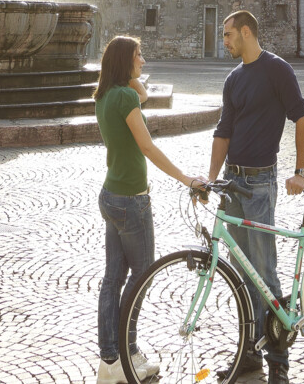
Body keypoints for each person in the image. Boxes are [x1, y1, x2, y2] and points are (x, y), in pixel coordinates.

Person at [93, 36, 206, 384]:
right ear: (125, 61)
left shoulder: (105, 96)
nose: (143, 61)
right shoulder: (125, 96)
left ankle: (111, 359)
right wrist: (186, 178)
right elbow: (148, 147)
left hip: (111, 195)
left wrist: (130, 76)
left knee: (114, 280)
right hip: (131, 199)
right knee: (141, 277)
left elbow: (143, 95)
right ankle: (125, 355)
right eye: (138, 56)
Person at [208, 10, 304, 384]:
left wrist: (300, 172)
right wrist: (211, 179)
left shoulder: (278, 70)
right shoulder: (233, 79)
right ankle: (249, 354)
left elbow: (301, 118)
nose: (225, 41)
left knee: (264, 271)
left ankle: (278, 359)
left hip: (262, 184)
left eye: (228, 34)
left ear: (246, 32)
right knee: (241, 273)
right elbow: (224, 131)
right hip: (233, 184)